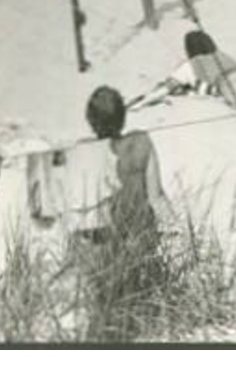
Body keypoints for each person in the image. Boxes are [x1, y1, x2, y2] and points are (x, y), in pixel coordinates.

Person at [80, 85, 175, 344]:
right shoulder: (141, 142)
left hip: (104, 243)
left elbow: (80, 207)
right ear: (123, 116)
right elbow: (156, 196)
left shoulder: (85, 151)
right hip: (141, 238)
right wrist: (178, 228)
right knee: (134, 308)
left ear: (90, 120)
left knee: (105, 309)